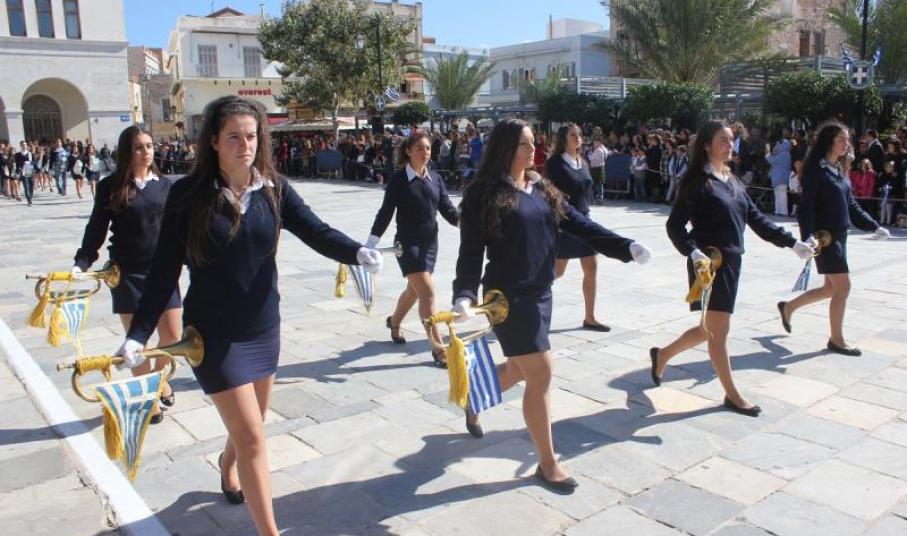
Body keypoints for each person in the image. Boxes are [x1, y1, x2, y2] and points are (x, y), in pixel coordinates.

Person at [112, 97, 382, 535]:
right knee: (254, 436)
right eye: (234, 137)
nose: (245, 145)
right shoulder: (187, 195)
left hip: (263, 328)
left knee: (252, 423)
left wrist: (356, 252)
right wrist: (138, 334)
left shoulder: (274, 188)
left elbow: (315, 230)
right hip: (212, 337)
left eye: (252, 136)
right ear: (214, 141)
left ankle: (227, 464)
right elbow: (163, 272)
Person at [452, 119, 652, 493]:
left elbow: (579, 223)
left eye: (534, 143)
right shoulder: (484, 193)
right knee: (541, 371)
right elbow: (470, 252)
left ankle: (473, 398)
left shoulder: (541, 187)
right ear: (505, 148)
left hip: (541, 294)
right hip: (507, 297)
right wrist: (464, 293)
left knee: (519, 368)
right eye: (525, 144)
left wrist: (625, 246)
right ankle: (548, 463)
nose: (533, 150)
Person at [654, 120, 815, 417]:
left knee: (709, 328)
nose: (730, 145)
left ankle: (663, 355)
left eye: (731, 140)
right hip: (708, 264)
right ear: (706, 145)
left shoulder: (733, 179)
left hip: (732, 261)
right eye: (723, 140)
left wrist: (792, 243)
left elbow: (757, 219)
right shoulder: (697, 181)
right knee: (719, 332)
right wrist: (693, 252)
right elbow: (674, 226)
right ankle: (732, 394)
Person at [73, 126, 183, 425]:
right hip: (128, 273)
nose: (146, 152)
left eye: (149, 146)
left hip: (163, 271)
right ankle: (149, 399)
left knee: (173, 336)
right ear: (126, 152)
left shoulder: (166, 186)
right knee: (138, 342)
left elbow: (180, 229)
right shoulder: (110, 187)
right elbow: (96, 228)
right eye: (138, 147)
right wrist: (83, 261)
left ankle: (159, 381)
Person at [779, 121, 891, 356]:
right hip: (826, 239)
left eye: (847, 140)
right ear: (828, 142)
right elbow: (805, 208)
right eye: (841, 139)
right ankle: (837, 340)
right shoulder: (816, 171)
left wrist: (874, 226)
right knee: (843, 286)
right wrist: (808, 237)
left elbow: (851, 205)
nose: (846, 144)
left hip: (841, 235)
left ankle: (788, 307)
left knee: (831, 288)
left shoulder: (838, 170)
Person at [366, 131, 459, 367]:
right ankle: (438, 348)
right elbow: (385, 212)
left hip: (430, 244)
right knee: (427, 292)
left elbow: (448, 211)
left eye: (428, 148)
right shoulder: (399, 180)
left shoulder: (435, 179)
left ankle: (394, 322)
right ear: (408, 151)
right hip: (408, 245)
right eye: (419, 148)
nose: (425, 153)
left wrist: (468, 224)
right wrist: (370, 243)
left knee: (414, 291)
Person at [547, 123, 612, 332]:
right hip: (565, 222)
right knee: (557, 271)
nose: (578, 138)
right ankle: (527, 295)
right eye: (573, 135)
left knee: (592, 266)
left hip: (584, 220)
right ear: (563, 139)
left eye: (579, 135)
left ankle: (590, 317)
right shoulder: (555, 163)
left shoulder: (582, 162)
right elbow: (549, 194)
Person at [765, 134, 791, 216]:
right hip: (778, 177)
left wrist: (768, 154)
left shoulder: (785, 154)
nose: (776, 146)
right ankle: (778, 210)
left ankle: (783, 211)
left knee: (782, 194)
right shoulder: (782, 153)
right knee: (777, 194)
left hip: (781, 177)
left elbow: (773, 161)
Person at [588, 136, 608, 205]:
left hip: (597, 169)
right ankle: (599, 198)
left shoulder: (598, 150)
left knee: (598, 184)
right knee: (598, 184)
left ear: (599, 143)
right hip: (599, 168)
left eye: (595, 143)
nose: (594, 144)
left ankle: (599, 199)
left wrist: (589, 153)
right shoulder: (603, 149)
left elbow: (591, 158)